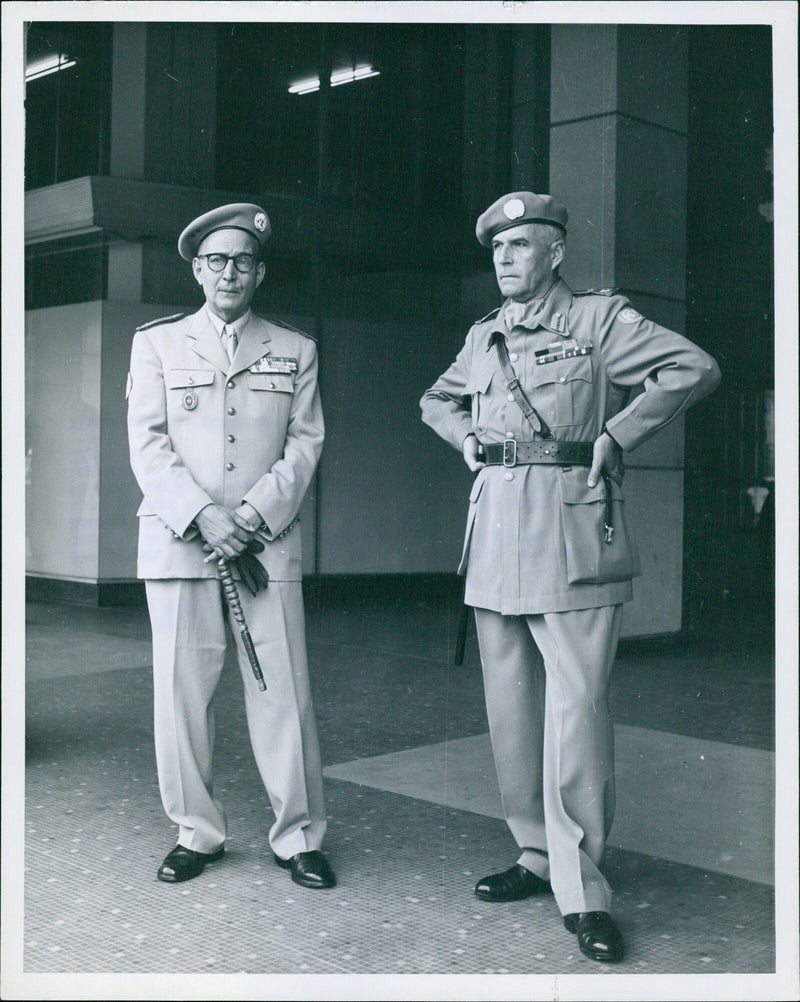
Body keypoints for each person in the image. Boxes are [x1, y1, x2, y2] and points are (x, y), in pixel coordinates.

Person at [420, 191, 720, 962]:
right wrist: (465, 441)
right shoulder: (483, 333)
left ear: (555, 251)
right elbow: (435, 400)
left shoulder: (598, 321)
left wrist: (619, 432)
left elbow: (692, 367)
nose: (506, 259)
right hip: (495, 536)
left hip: (574, 529)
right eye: (498, 249)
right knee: (511, 711)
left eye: (522, 245)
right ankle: (534, 854)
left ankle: (583, 887)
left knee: (578, 712)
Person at [127, 203, 335, 890]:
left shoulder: (295, 349)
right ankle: (197, 831)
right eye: (216, 260)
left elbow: (305, 447)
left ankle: (298, 836)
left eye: (243, 261)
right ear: (196, 268)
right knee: (182, 699)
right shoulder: (157, 344)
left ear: (260, 271)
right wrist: (202, 517)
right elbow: (149, 446)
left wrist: (248, 515)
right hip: (181, 546)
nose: (230, 272)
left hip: (265, 548)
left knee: (284, 694)